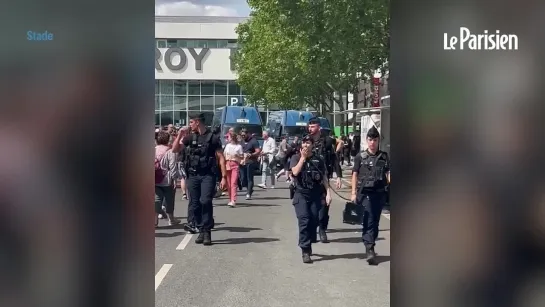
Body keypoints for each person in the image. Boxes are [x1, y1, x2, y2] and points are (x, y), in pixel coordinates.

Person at [181, 113, 227, 245]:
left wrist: (223, 177)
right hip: (193, 175)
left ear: (197, 122)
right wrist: (180, 135)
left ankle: (207, 231)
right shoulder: (190, 137)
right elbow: (175, 149)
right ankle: (201, 229)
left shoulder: (213, 138)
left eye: (191, 122)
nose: (189, 124)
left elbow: (221, 158)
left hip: (208, 174)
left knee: (205, 200)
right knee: (194, 203)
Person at [350, 126, 390, 265]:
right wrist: (353, 192)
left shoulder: (384, 156)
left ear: (378, 141)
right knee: (369, 219)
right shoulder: (360, 157)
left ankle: (370, 244)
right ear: (367, 140)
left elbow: (388, 174)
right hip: (365, 194)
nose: (372, 142)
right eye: (370, 139)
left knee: (375, 221)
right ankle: (370, 247)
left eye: (375, 139)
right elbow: (354, 174)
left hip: (379, 194)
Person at [290, 135, 332, 263]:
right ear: (301, 145)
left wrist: (328, 193)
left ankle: (309, 242)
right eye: (304, 143)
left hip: (315, 194)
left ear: (312, 145)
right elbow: (295, 172)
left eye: (309, 143)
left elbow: (324, 177)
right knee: (304, 220)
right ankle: (305, 249)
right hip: (301, 194)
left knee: (314, 220)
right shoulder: (295, 157)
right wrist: (303, 158)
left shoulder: (318, 159)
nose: (306, 145)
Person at [304, 117, 342, 243]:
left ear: (319, 127)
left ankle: (322, 229)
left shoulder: (327, 141)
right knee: (311, 207)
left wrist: (339, 176)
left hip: (324, 177)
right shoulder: (306, 140)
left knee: (325, 205)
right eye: (309, 126)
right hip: (309, 178)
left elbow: (334, 158)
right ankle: (313, 228)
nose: (310, 128)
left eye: (313, 126)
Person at [155, 131, 181, 227]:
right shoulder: (170, 151)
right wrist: (174, 179)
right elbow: (172, 166)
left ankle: (155, 221)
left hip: (155, 178)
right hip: (167, 179)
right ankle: (171, 219)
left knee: (157, 199)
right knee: (169, 199)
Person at [239, 129, 261, 200]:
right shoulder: (241, 141)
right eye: (241, 135)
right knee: (243, 179)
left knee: (249, 178)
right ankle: (249, 188)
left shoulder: (253, 141)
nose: (243, 136)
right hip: (242, 162)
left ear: (247, 134)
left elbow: (258, 151)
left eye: (244, 135)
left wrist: (251, 154)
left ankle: (248, 193)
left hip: (251, 161)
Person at [223, 132, 243, 207]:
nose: (227, 138)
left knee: (233, 182)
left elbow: (241, 156)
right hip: (228, 164)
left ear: (232, 138)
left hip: (235, 164)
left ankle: (233, 200)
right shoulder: (227, 146)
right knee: (228, 183)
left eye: (228, 137)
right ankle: (230, 199)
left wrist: (237, 155)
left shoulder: (239, 146)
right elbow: (224, 154)